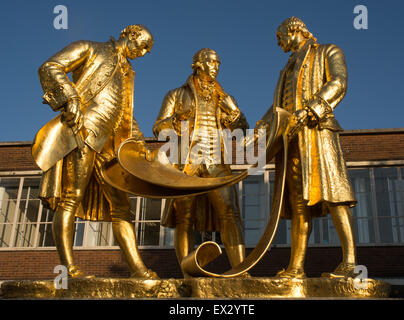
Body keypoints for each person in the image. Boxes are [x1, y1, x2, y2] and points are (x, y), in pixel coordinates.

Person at [33, 25, 158, 279]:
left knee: (122, 208)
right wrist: (71, 99)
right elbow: (50, 66)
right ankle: (69, 269)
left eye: (147, 50)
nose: (143, 53)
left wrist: (139, 142)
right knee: (71, 197)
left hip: (113, 145)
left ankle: (138, 270)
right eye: (143, 45)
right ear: (130, 35)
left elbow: (125, 114)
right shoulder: (90, 48)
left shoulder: (127, 72)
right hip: (84, 131)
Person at [259, 17, 358, 279]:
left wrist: (311, 110)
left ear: (294, 30)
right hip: (290, 141)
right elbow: (279, 107)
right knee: (298, 202)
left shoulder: (328, 51)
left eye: (280, 35)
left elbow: (338, 82)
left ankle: (350, 264)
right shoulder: (285, 69)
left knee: (336, 195)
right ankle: (296, 268)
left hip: (318, 132)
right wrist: (262, 125)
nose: (278, 41)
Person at [153, 48, 248, 274]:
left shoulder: (225, 97)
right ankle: (187, 274)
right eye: (210, 62)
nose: (215, 66)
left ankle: (241, 272)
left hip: (216, 160)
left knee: (230, 212)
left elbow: (242, 129)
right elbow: (159, 127)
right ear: (197, 64)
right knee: (184, 217)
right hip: (187, 162)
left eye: (218, 62)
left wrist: (234, 112)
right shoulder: (176, 94)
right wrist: (174, 122)